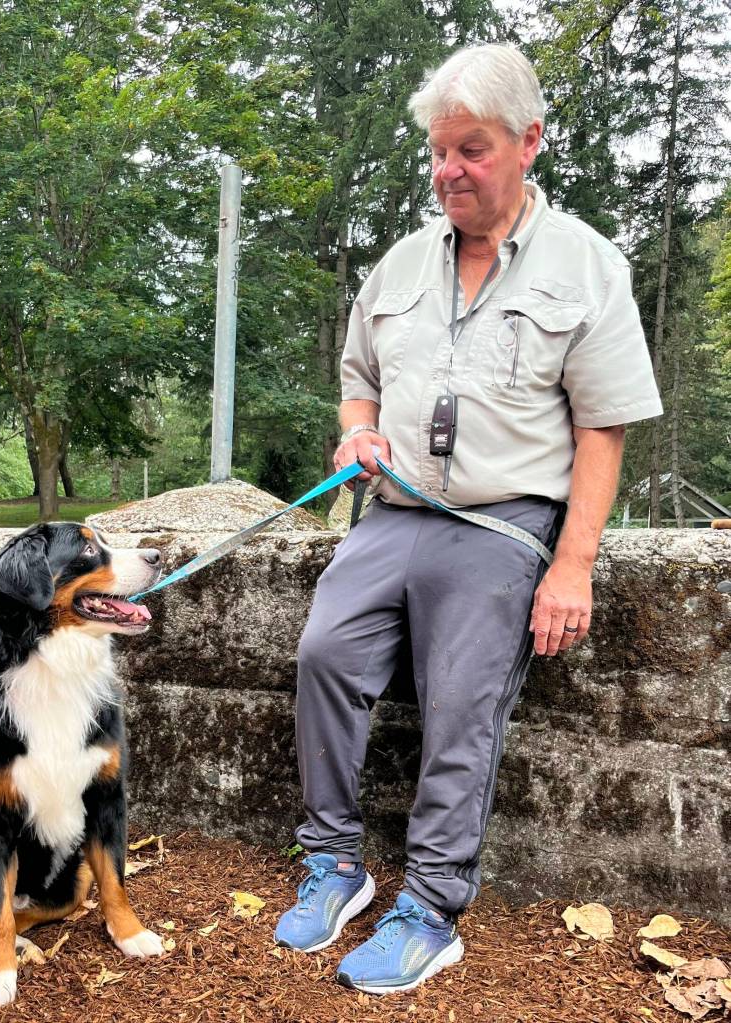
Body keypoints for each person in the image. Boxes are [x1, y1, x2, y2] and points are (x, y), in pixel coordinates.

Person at [273, 43, 662, 995]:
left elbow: (602, 430)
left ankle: (434, 906)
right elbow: (357, 383)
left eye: (472, 151)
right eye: (440, 153)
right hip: (392, 509)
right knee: (325, 653)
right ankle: (335, 862)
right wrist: (356, 435)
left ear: (529, 142)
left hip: (504, 524)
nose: (449, 172)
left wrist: (573, 567)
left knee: (461, 697)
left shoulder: (588, 265)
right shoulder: (402, 263)